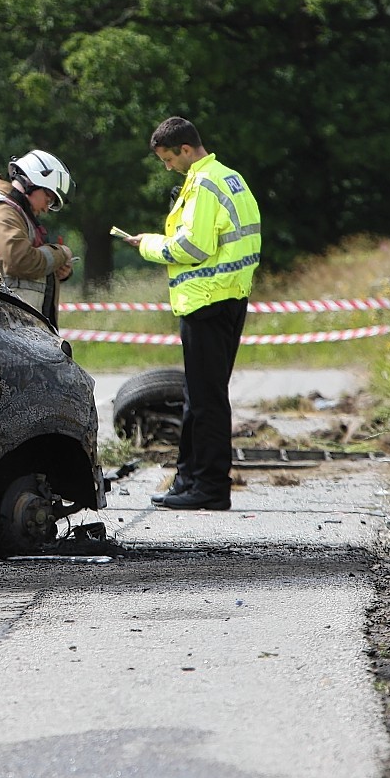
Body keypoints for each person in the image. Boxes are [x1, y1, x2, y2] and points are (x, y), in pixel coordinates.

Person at [120, 116, 261, 512]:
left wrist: (147, 244)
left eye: (168, 159)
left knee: (206, 400)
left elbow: (192, 248)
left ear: (185, 149)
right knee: (198, 397)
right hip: (229, 298)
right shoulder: (229, 178)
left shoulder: (203, 186)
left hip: (207, 302)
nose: (168, 168)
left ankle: (211, 486)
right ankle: (189, 479)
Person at [0, 149, 76, 324]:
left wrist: (56, 271)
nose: (46, 209)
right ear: (35, 182)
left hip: (8, 329)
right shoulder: (2, 212)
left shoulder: (17, 214)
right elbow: (20, 261)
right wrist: (62, 253)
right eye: (48, 199)